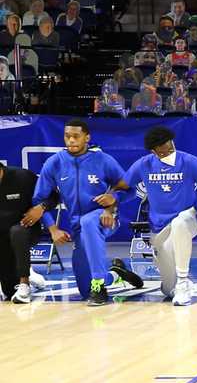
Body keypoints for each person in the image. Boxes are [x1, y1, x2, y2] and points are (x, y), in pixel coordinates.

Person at [26, 120, 140, 305]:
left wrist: (113, 200)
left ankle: (98, 285)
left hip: (106, 219)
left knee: (88, 221)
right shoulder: (54, 163)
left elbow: (130, 189)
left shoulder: (103, 160)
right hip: (77, 228)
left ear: (87, 137)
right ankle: (115, 274)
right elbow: (39, 200)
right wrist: (53, 229)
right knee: (85, 291)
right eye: (67, 136)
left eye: (75, 136)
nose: (70, 140)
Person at [121, 126, 197, 306]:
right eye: (164, 148)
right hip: (159, 228)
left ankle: (184, 282)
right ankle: (177, 284)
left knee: (179, 223)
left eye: (170, 144)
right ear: (154, 151)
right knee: (168, 289)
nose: (170, 149)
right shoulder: (143, 164)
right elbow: (121, 187)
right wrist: (111, 205)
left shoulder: (189, 161)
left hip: (188, 219)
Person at [2, 165, 59, 303]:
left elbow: (54, 196)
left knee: (17, 231)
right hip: (2, 237)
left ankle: (24, 282)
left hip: (26, 229)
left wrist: (41, 207)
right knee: (9, 293)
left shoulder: (22, 177)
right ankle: (26, 269)